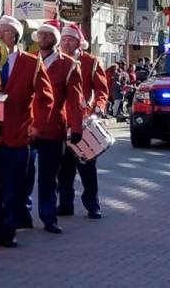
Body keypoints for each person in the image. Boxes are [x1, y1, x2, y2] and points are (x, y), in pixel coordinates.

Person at [0, 15, 53, 249]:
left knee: (14, 187)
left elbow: (46, 98)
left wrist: (37, 126)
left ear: (14, 36)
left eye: (3, 32)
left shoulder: (31, 63)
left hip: (18, 134)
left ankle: (10, 229)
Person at [24, 21, 83, 234]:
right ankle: (24, 214)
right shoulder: (27, 61)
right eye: (40, 34)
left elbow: (75, 100)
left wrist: (76, 127)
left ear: (56, 39)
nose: (43, 38)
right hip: (28, 127)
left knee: (48, 176)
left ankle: (49, 217)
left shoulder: (68, 65)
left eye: (48, 35)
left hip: (53, 128)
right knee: (25, 173)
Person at [58, 23, 108, 219]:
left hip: (84, 119)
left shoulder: (91, 61)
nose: (66, 43)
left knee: (87, 168)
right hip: (61, 122)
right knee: (64, 169)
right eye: (63, 40)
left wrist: (99, 109)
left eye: (70, 40)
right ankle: (65, 204)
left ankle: (92, 204)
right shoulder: (56, 61)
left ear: (79, 42)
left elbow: (102, 91)